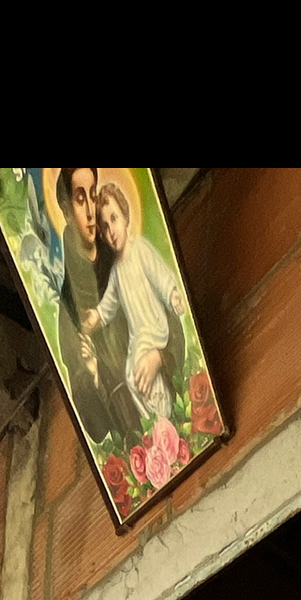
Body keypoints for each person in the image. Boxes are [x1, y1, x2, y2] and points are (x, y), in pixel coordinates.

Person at [84, 181, 188, 430]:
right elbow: (109, 305)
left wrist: (172, 294)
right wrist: (95, 317)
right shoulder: (115, 273)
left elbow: (160, 274)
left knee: (145, 370)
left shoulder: (140, 249)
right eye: (105, 226)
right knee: (132, 377)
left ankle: (166, 415)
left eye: (114, 219)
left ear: (126, 216)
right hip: (138, 336)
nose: (111, 231)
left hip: (155, 328)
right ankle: (155, 424)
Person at [52, 165, 137, 450]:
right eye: (80, 200)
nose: (91, 212)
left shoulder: (121, 256)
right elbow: (95, 428)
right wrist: (92, 374)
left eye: (92, 195)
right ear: (66, 210)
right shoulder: (69, 308)